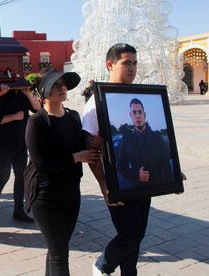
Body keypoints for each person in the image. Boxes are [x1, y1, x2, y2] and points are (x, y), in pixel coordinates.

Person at [83, 43, 150, 276]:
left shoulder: (137, 97)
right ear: (110, 64)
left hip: (143, 184)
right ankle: (102, 265)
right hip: (118, 184)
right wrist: (104, 185)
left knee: (136, 239)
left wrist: (172, 173)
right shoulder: (97, 102)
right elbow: (91, 151)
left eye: (134, 63)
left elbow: (150, 143)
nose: (132, 68)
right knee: (130, 235)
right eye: (126, 63)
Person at [25, 69, 100, 275]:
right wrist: (77, 157)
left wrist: (91, 141)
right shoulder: (36, 122)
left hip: (71, 192)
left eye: (63, 84)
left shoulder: (74, 117)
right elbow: (42, 164)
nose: (62, 88)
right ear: (44, 93)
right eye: (56, 85)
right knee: (60, 252)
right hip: (45, 195)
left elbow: (82, 143)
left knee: (58, 246)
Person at [0, 84, 41, 222]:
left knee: (21, 176)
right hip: (3, 145)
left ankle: (18, 211)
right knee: (3, 176)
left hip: (20, 144)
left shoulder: (23, 94)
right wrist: (14, 117)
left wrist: (28, 93)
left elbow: (37, 108)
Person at [116, 98, 174, 189]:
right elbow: (121, 166)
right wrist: (136, 175)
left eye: (140, 112)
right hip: (137, 188)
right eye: (134, 113)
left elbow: (166, 164)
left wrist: (175, 182)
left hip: (157, 186)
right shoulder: (127, 139)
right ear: (131, 115)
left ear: (144, 114)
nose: (137, 115)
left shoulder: (156, 137)